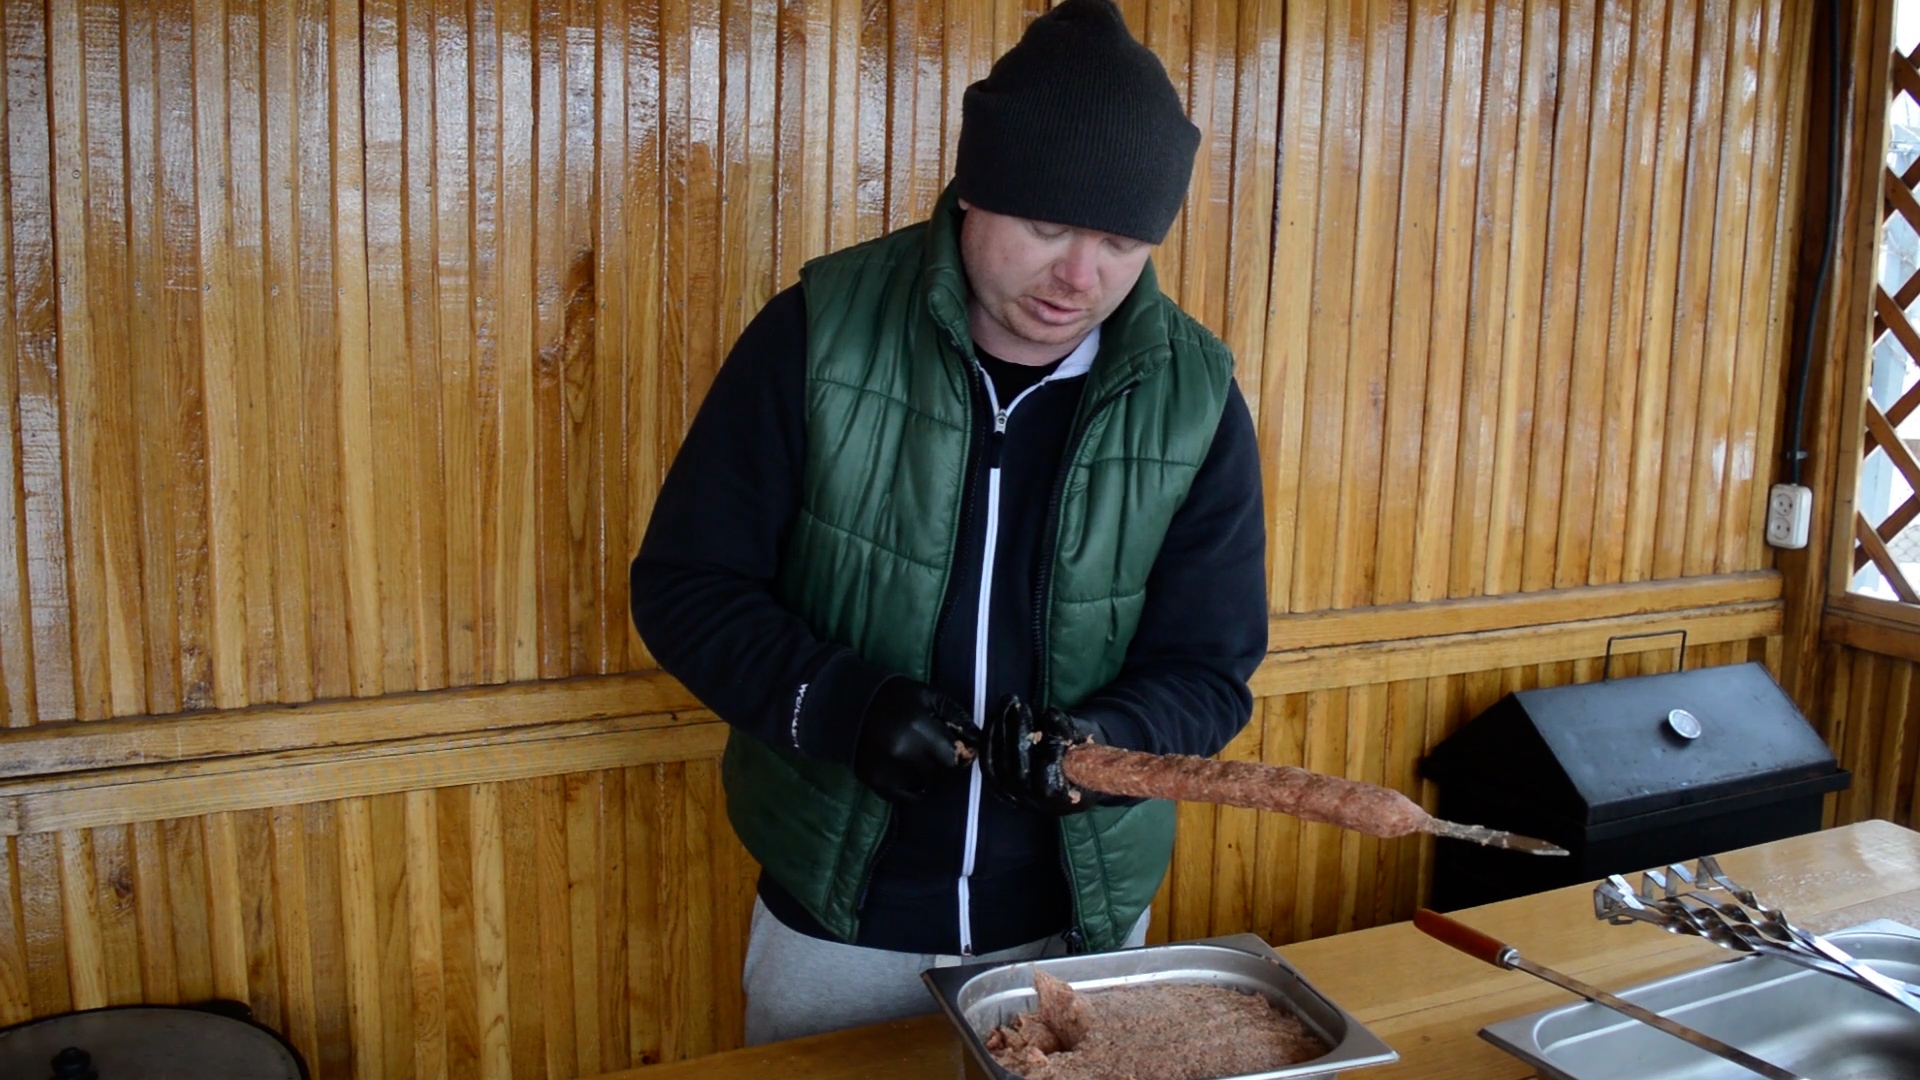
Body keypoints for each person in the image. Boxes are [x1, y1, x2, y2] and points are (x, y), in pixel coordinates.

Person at [629, 0, 1267, 1046]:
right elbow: (687, 588)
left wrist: (1103, 746)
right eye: (1048, 227)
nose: (1080, 276)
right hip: (839, 914)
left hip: (1084, 927)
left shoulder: (1194, 396)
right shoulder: (816, 335)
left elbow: (1209, 669)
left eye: (1119, 241)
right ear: (975, 191)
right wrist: (839, 707)